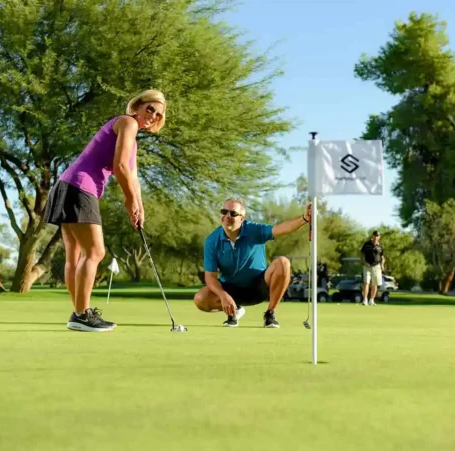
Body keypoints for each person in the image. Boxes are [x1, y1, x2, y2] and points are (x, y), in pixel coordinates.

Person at [43, 89, 167, 332]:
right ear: (138, 107)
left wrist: (138, 206)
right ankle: (81, 315)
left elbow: (132, 175)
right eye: (149, 109)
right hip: (80, 186)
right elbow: (119, 166)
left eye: (158, 114)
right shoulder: (127, 122)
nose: (152, 115)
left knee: (75, 256)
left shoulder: (132, 138)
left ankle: (79, 313)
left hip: (69, 186)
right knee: (95, 252)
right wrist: (129, 200)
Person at [193, 198, 312, 328]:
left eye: (232, 213)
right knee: (200, 299)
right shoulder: (212, 240)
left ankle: (270, 313)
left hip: (259, 287)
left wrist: (305, 218)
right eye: (224, 211)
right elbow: (210, 278)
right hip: (230, 290)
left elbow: (281, 229)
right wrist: (223, 296)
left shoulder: (254, 230)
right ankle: (235, 310)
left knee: (283, 262)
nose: (227, 216)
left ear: (242, 218)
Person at [360, 230, 385, 306]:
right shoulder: (367, 244)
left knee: (375, 284)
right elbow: (362, 254)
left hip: (376, 266)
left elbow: (382, 257)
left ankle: (372, 300)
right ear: (372, 236)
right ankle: (365, 300)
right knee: (366, 282)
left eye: (377, 236)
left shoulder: (380, 246)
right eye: (375, 235)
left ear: (379, 237)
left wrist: (382, 265)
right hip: (367, 265)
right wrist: (363, 262)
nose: (376, 237)